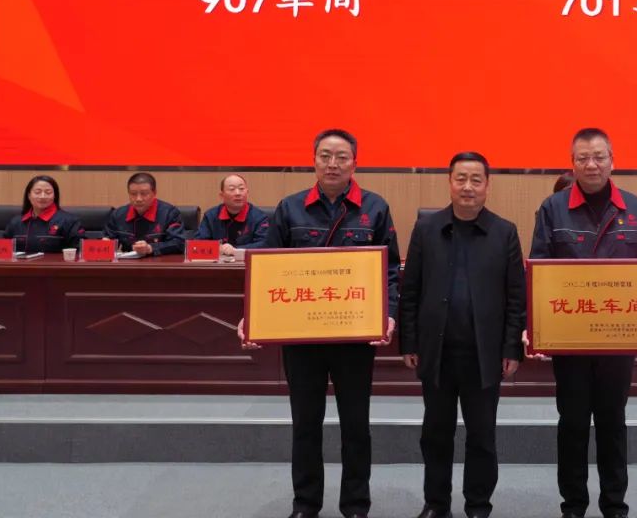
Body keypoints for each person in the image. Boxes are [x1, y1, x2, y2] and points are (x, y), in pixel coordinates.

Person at [240, 128, 399, 518]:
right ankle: (306, 504)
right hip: (303, 337)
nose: (333, 164)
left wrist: (389, 313)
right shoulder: (290, 208)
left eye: (341, 157)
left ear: (355, 163)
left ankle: (356, 504)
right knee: (305, 424)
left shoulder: (375, 207)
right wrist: (254, 314)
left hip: (354, 335)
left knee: (356, 425)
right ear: (313, 161)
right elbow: (268, 269)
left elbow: (392, 270)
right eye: (325, 156)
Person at [529, 128, 637, 518]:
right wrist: (535, 325)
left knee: (612, 422)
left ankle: (614, 505)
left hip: (616, 338)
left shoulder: (635, 208)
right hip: (570, 337)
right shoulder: (552, 208)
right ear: (572, 163)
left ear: (612, 160)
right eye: (583, 158)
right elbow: (538, 267)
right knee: (572, 422)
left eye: (599, 157)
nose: (591, 165)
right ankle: (573, 505)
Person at [399, 152, 526, 518]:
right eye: (461, 179)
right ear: (450, 182)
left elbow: (516, 297)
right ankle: (436, 504)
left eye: (475, 180)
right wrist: (409, 342)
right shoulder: (427, 229)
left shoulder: (504, 232)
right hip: (436, 352)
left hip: (484, 354)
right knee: (435, 434)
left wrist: (511, 348)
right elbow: (411, 290)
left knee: (482, 436)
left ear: (487, 185)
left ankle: (478, 505)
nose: (468, 187)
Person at [102, 172, 185, 256]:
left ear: (154, 193)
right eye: (133, 194)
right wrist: (106, 244)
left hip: (160, 262)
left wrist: (150, 248)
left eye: (144, 194)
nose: (138, 199)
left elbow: (179, 243)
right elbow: (107, 239)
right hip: (128, 262)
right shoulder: (118, 215)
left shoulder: (170, 213)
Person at [2, 175, 83, 252]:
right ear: (29, 195)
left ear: (55, 196)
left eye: (48, 192)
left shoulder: (69, 221)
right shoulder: (16, 222)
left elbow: (81, 252)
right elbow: (3, 250)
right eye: (37, 192)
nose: (42, 196)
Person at [194, 173, 269, 255]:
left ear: (247, 192)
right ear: (222, 195)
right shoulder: (211, 216)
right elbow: (197, 244)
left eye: (241, 189)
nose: (238, 193)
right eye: (232, 189)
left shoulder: (259, 217)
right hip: (218, 262)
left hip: (246, 261)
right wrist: (217, 248)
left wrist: (236, 250)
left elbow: (265, 245)